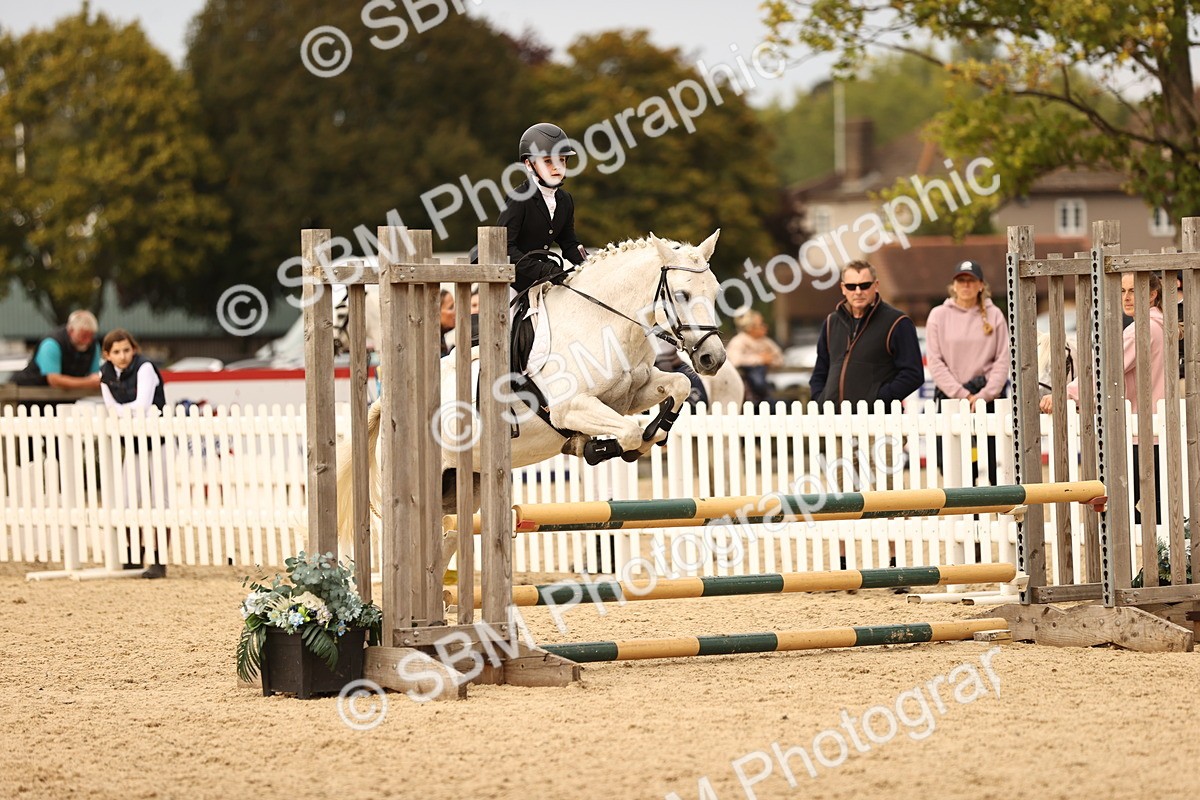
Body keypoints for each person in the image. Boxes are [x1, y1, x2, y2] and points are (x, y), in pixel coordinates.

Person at [1040, 272, 1169, 523]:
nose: (1127, 297)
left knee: (1113, 504)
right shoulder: (1163, 325)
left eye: (1133, 291)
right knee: (1158, 504)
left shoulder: (1139, 330)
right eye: (1122, 291)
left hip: (1138, 433)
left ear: (1152, 295)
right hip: (1158, 429)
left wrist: (1067, 393)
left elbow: (1106, 370)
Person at [925, 260, 1010, 486]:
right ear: (954, 285)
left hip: (988, 398)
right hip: (951, 398)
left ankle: (998, 512)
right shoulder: (938, 315)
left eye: (971, 280)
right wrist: (963, 395)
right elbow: (935, 361)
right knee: (952, 462)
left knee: (994, 462)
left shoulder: (994, 315)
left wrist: (984, 395)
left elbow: (1003, 358)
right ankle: (966, 515)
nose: (966, 285)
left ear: (980, 285)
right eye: (961, 280)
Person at [99, 329, 169, 578]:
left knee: (160, 500)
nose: (122, 356)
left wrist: (121, 410)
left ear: (134, 349)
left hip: (158, 441)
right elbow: (110, 408)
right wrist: (121, 411)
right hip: (133, 443)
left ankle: (160, 560)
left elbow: (143, 405)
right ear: (107, 354)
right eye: (116, 352)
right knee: (129, 499)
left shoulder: (145, 368)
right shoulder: (105, 374)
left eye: (126, 350)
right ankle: (133, 553)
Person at [810, 261, 923, 409]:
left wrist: (877, 400)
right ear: (843, 288)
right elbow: (820, 371)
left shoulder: (897, 322)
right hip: (835, 422)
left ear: (876, 285)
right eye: (851, 286)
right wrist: (821, 399)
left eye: (864, 285)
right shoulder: (831, 323)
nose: (858, 292)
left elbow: (912, 374)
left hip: (878, 422)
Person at [497, 122, 588, 294]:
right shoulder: (519, 198)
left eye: (561, 160)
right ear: (529, 164)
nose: (556, 167)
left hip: (541, 281)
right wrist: (544, 270)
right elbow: (504, 249)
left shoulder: (565, 200)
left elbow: (569, 243)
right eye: (548, 161)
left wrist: (591, 265)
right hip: (510, 282)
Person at [10, 309, 101, 389]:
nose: (87, 341)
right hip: (26, 394)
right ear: (71, 331)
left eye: (91, 336)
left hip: (58, 399)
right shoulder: (51, 344)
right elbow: (54, 380)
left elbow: (94, 376)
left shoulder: (94, 346)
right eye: (83, 336)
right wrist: (88, 383)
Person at [726, 310, 784, 407]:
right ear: (750, 328)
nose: (765, 327)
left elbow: (779, 359)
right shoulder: (739, 341)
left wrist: (768, 360)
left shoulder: (765, 342)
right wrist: (760, 359)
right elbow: (735, 360)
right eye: (761, 325)